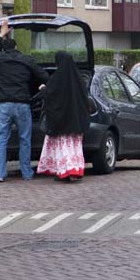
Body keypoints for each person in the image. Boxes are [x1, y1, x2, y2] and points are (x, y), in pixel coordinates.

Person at [0, 19, 49, 182]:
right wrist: (42, 85)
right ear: (16, 48)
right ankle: (26, 173)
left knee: (1, 139)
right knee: (25, 139)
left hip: (5, 106)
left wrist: (1, 33)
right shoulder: (26, 60)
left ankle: (0, 174)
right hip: (22, 105)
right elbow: (44, 76)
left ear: (4, 50)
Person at [36, 51, 90, 182]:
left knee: (63, 147)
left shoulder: (57, 78)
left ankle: (64, 171)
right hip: (76, 122)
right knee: (75, 147)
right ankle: (76, 169)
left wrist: (43, 89)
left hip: (62, 122)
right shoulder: (80, 80)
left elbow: (51, 95)